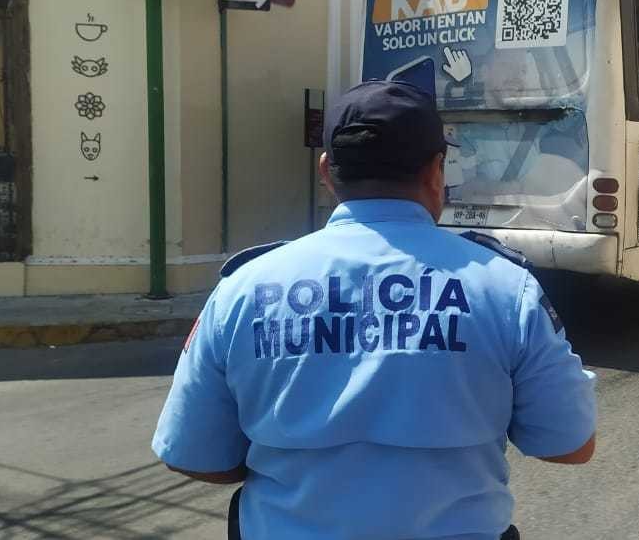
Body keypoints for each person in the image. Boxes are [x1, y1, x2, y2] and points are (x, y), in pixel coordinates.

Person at [152, 80, 597, 539]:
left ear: (326, 170)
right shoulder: (504, 287)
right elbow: (570, 445)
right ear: (436, 171)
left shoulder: (244, 289)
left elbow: (191, 454)